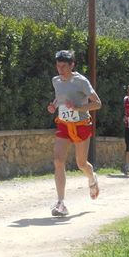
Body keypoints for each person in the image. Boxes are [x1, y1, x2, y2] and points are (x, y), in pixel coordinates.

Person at [47, 50, 102, 217]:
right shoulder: (56, 81)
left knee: (81, 164)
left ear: (72, 65)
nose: (60, 69)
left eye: (64, 66)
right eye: (58, 65)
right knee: (58, 160)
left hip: (81, 125)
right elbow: (60, 97)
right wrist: (54, 106)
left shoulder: (81, 81)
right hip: (64, 124)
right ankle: (61, 203)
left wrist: (78, 108)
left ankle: (92, 178)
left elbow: (97, 104)